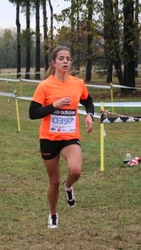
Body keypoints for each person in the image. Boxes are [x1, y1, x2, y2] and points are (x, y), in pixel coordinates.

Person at [29, 45, 94, 228]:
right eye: (61, 58)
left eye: (68, 58)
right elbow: (33, 112)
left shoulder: (77, 83)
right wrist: (54, 105)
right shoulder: (45, 86)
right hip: (49, 138)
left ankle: (69, 186)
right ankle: (53, 214)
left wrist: (89, 114)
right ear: (54, 62)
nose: (65, 61)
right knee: (53, 181)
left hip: (70, 137)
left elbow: (88, 100)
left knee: (75, 170)